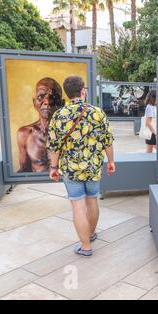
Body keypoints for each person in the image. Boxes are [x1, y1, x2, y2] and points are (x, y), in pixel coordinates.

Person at [46, 76, 116, 257]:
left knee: (77, 206)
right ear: (83, 90)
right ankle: (91, 234)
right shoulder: (97, 113)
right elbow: (107, 141)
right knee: (92, 200)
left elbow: (53, 146)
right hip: (93, 167)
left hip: (71, 169)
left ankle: (85, 247)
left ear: (68, 93)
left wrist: (53, 167)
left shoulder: (59, 115)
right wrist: (111, 161)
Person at [17, 77, 64, 173]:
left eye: (53, 97)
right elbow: (24, 170)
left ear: (61, 103)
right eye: (41, 97)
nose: (47, 102)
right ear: (34, 102)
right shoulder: (25, 134)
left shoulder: (70, 132)